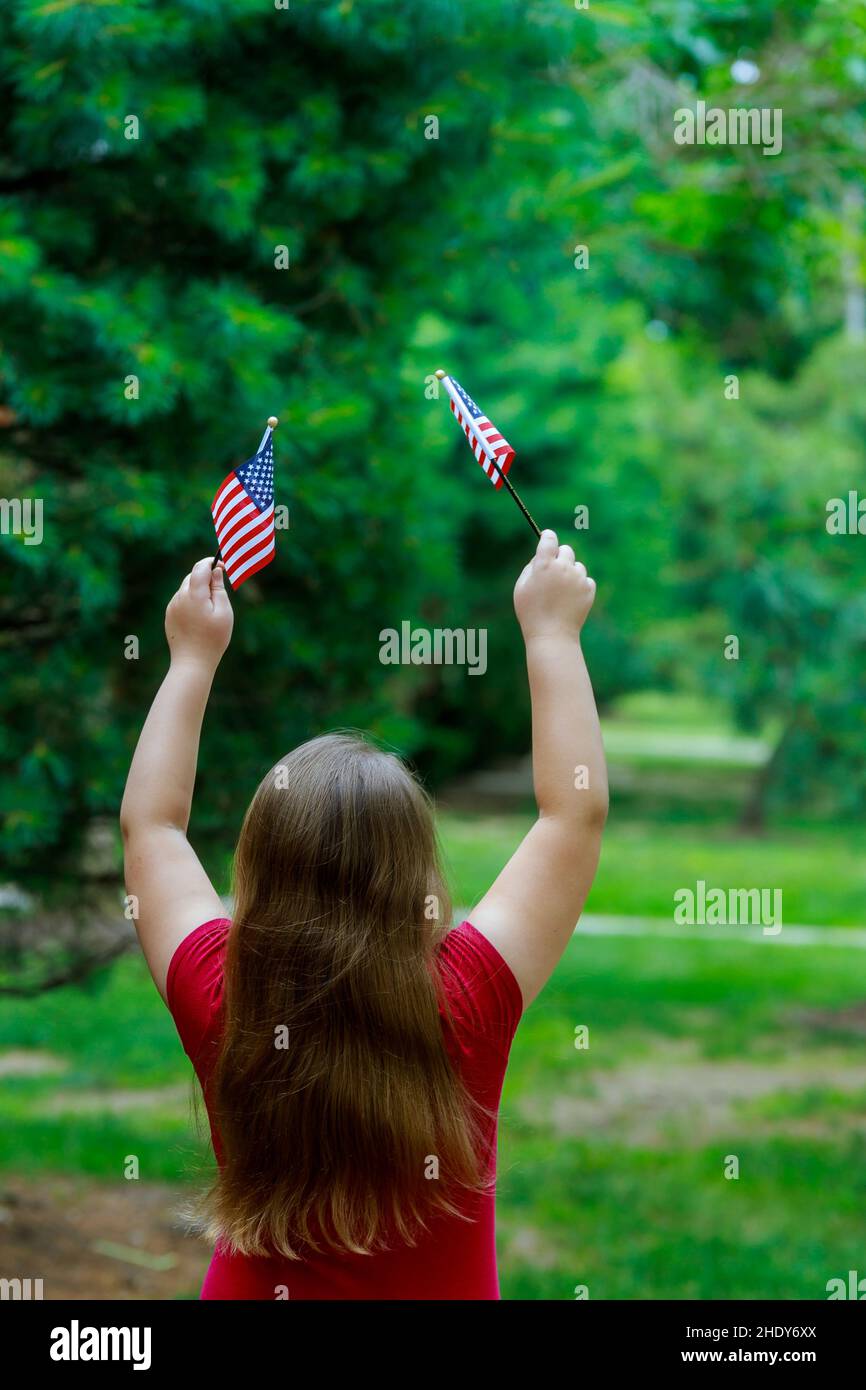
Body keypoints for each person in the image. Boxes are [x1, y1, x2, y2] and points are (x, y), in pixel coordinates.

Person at [120, 529, 607, 1298]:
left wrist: (190, 660)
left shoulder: (220, 990)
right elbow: (573, 813)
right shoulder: (466, 996)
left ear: (260, 864)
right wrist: (551, 633)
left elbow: (151, 826)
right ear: (415, 869)